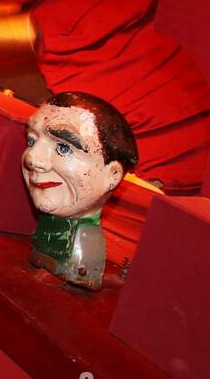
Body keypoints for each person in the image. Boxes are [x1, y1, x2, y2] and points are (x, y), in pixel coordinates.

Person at [23, 91, 138, 291]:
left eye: (64, 148)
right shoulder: (46, 228)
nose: (32, 158)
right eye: (32, 140)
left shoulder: (83, 245)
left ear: (112, 175)